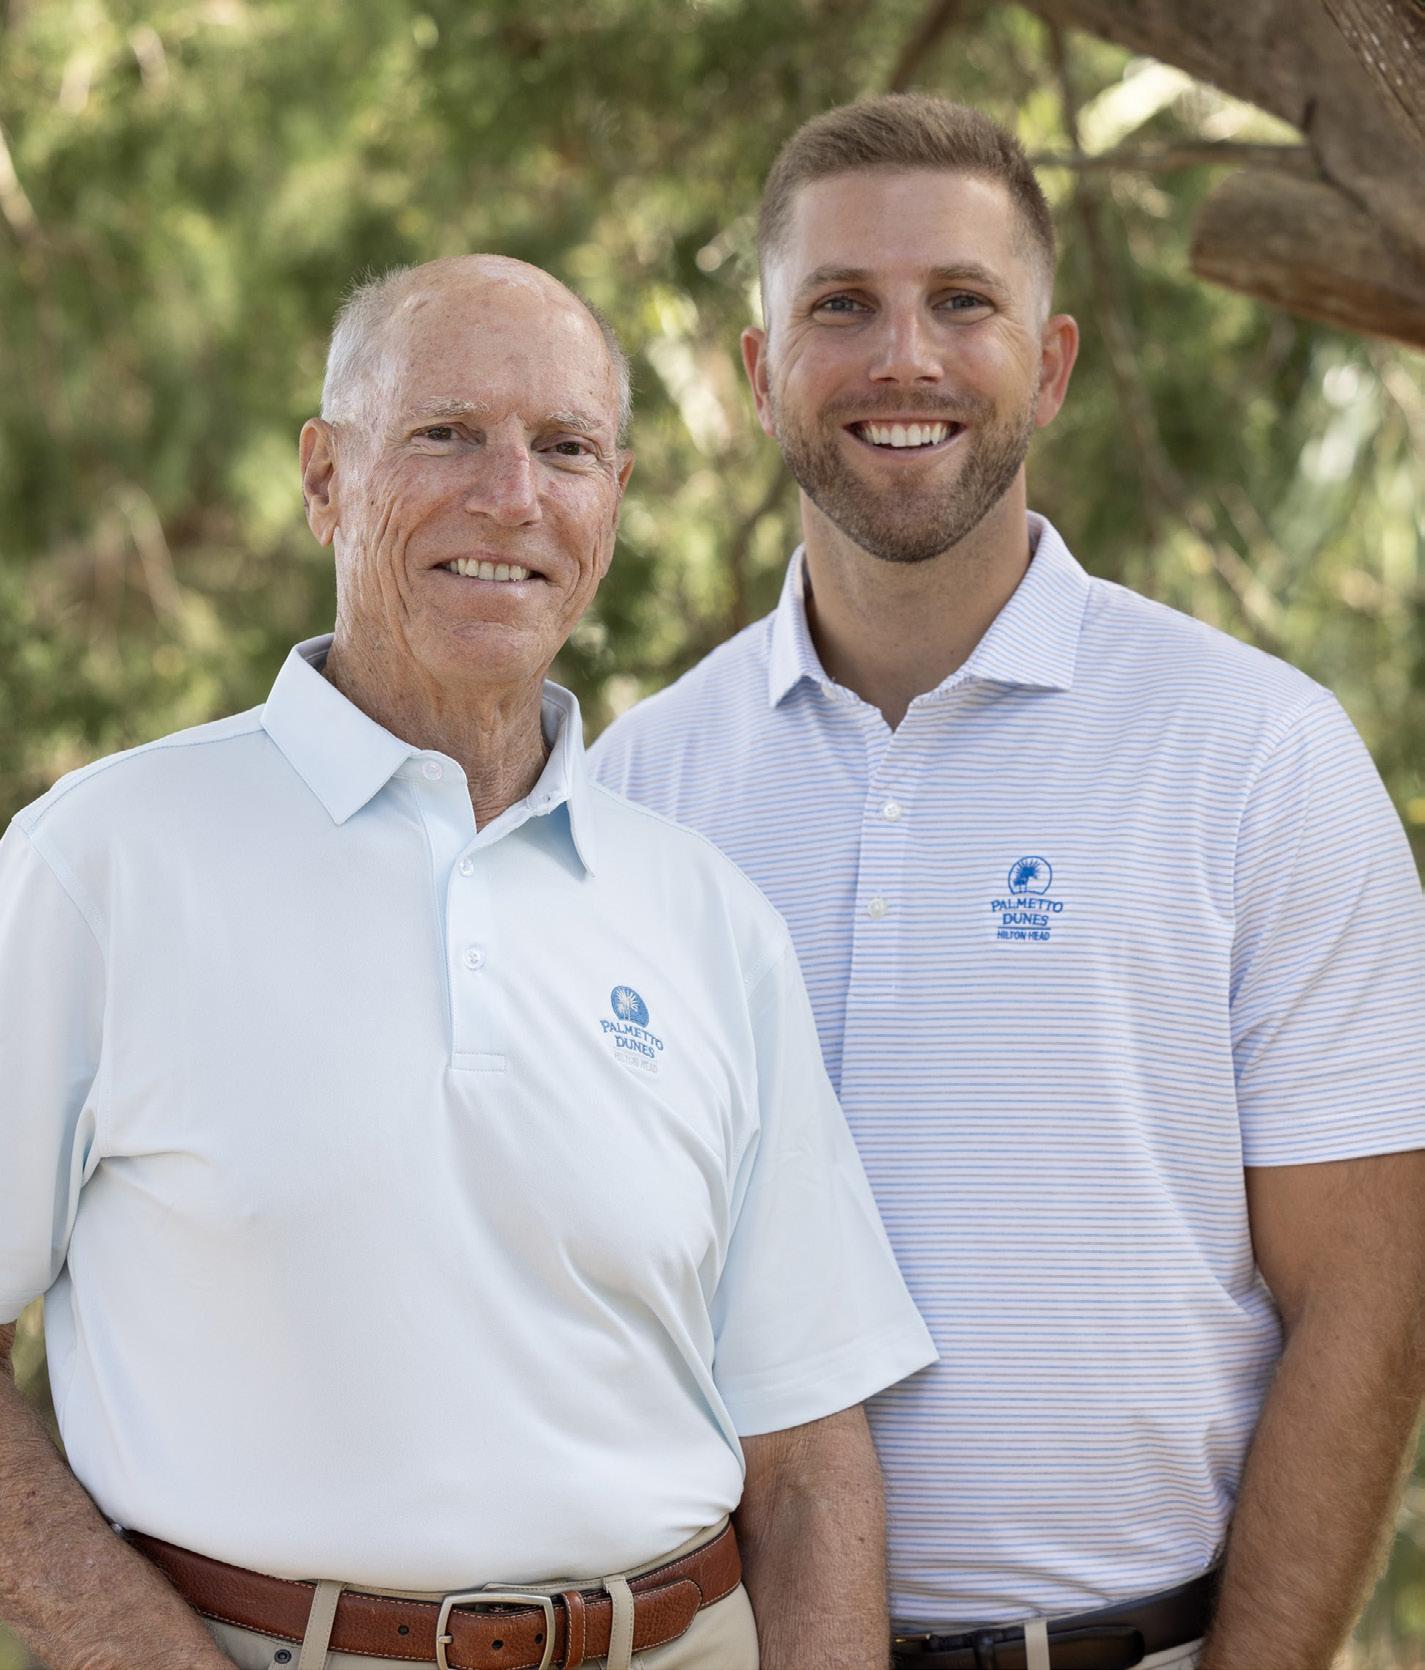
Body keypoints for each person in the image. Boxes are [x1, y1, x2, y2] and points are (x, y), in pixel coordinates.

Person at [0, 254, 937, 1670]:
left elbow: (807, 1457)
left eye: (565, 449)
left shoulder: (706, 916)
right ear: (325, 477)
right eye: (445, 434)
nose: (511, 497)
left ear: (611, 503)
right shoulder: (103, 861)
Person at [590, 95, 1425, 1670]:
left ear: (1046, 365)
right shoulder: (641, 788)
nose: (901, 356)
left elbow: (1367, 1301)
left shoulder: (1255, 753)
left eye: (960, 301)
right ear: (761, 370)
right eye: (841, 304)